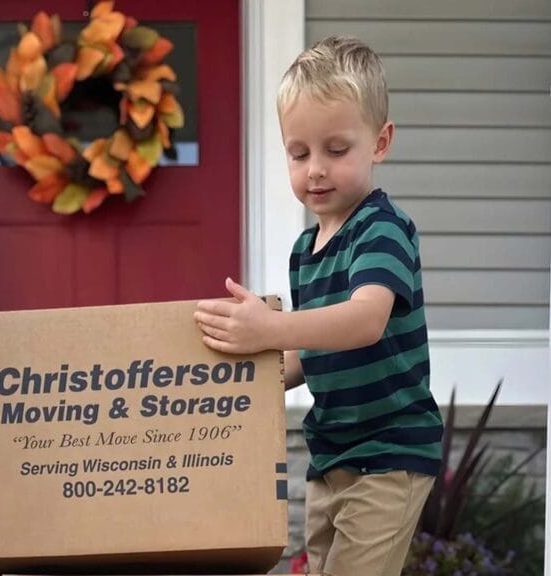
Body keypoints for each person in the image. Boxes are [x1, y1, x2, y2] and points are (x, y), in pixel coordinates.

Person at [194, 36, 442, 576]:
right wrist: (242, 382)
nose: (315, 170)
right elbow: (313, 352)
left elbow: (365, 320)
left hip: (388, 452)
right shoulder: (305, 251)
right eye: (300, 153)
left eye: (336, 149)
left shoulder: (381, 230)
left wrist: (270, 328)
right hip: (331, 454)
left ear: (380, 143)